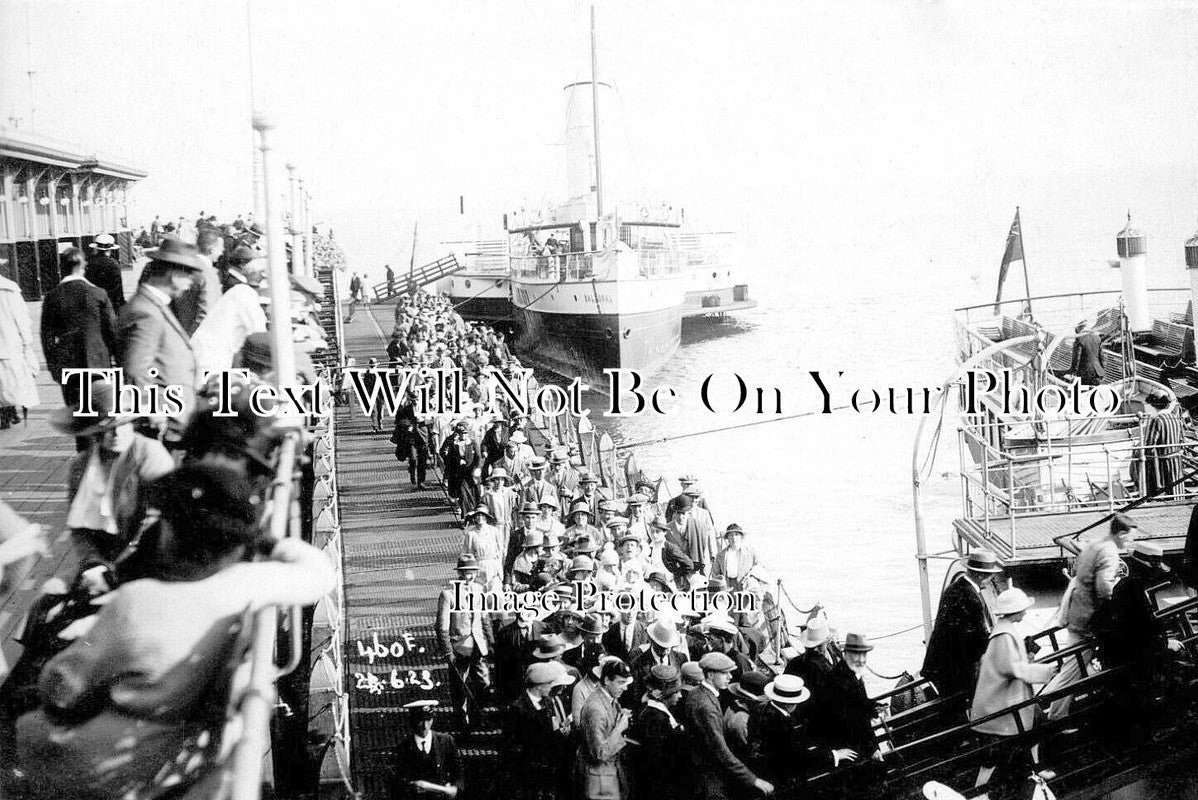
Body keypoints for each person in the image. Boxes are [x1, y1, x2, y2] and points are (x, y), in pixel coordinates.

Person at [15, 464, 336, 800]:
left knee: (24, 727)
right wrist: (265, 541)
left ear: (171, 534)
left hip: (100, 762)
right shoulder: (244, 586)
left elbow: (61, 682)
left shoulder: (137, 601)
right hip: (177, 758)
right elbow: (320, 574)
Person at [56, 381, 174, 563]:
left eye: (123, 424)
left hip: (152, 558)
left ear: (132, 424)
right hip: (104, 560)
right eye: (107, 429)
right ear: (93, 432)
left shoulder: (151, 454)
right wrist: (92, 562)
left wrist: (119, 568)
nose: (117, 434)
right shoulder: (82, 465)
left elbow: (159, 521)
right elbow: (78, 526)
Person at [1046, 513, 1137, 719]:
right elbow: (1104, 588)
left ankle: (1048, 703)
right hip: (1087, 619)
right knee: (1073, 668)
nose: (1132, 541)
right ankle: (1054, 714)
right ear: (1121, 534)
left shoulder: (1095, 544)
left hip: (1076, 611)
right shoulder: (1110, 552)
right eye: (1131, 537)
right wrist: (1117, 606)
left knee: (1074, 664)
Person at [969, 588, 1057, 798]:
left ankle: (1036, 770)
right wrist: (1044, 671)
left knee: (1034, 724)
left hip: (1004, 700)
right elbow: (1013, 668)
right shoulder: (1004, 637)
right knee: (992, 757)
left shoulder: (1004, 631)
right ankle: (978, 793)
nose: (1026, 612)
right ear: (1015, 611)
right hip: (999, 706)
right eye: (1023, 609)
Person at [118, 238, 204, 436]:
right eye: (189, 273)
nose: (191, 281)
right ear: (173, 274)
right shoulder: (146, 312)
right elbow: (136, 369)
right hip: (164, 424)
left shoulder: (152, 306)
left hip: (173, 418)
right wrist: (153, 410)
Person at [681, 651, 774, 798]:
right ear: (710, 675)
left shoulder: (697, 693)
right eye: (725, 673)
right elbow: (719, 749)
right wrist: (753, 780)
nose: (730, 677)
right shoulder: (707, 706)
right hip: (708, 773)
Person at [40, 247, 118, 409]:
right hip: (98, 361)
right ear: (83, 266)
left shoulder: (52, 296)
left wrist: (53, 366)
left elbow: (46, 335)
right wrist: (116, 358)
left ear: (62, 268)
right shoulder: (98, 294)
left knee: (77, 413)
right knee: (103, 411)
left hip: (68, 365)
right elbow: (111, 330)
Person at [920, 550, 1003, 702]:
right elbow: (978, 639)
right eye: (990, 576)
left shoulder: (955, 588)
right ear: (980, 576)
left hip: (942, 666)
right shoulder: (971, 598)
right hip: (953, 672)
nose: (991, 579)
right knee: (957, 708)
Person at [190, 245, 268, 378]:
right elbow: (260, 335)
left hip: (208, 353)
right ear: (263, 278)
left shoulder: (240, 291)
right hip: (211, 358)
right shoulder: (245, 295)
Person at [436, 553, 493, 730]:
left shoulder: (479, 589)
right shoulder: (448, 595)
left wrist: (491, 641)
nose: (469, 577)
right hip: (460, 647)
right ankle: (462, 720)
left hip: (478, 646)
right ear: (459, 574)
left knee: (484, 683)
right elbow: (441, 627)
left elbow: (485, 618)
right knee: (460, 687)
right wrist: (448, 652)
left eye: (472, 573)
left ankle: (479, 716)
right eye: (466, 573)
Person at [575, 657, 633, 799]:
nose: (625, 688)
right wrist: (619, 728)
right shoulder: (595, 708)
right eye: (620, 683)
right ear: (606, 680)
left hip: (608, 773)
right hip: (599, 778)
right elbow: (599, 753)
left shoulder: (607, 697)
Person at [629, 663, 688, 799]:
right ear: (665, 694)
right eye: (676, 692)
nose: (680, 696)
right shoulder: (657, 719)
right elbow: (658, 762)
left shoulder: (649, 709)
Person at [387, 701, 464, 800]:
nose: (425, 726)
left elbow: (458, 771)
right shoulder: (402, 748)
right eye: (420, 720)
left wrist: (455, 788)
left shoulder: (446, 740)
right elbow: (397, 782)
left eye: (428, 720)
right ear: (412, 720)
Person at [0, 260, 38, 428]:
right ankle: (10, 411)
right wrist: (27, 341)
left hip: (8, 344)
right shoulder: (10, 289)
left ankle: (5, 413)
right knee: (10, 380)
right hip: (10, 343)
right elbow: (22, 318)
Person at [170, 227, 224, 336]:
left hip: (177, 329)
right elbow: (206, 314)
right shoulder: (207, 273)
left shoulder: (186, 266)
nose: (222, 251)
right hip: (195, 337)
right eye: (221, 248)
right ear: (211, 248)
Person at [710, 524, 757, 592]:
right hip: (728, 586)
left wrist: (750, 577)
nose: (734, 538)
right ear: (727, 538)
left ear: (741, 537)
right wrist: (721, 583)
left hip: (745, 586)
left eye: (736, 535)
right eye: (731, 535)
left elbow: (758, 566)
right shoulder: (721, 555)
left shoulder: (750, 553)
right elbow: (715, 573)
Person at [85, 234, 125, 313]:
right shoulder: (114, 264)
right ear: (110, 249)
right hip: (109, 303)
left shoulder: (89, 262)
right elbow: (118, 289)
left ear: (96, 248)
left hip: (92, 302)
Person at [1069, 321, 1105, 386]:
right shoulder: (1097, 337)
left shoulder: (1079, 338)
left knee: (1083, 393)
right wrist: (1102, 370)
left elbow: (1077, 358)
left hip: (1085, 373)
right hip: (1097, 372)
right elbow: (1102, 357)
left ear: (1079, 328)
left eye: (1076, 330)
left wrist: (1073, 372)